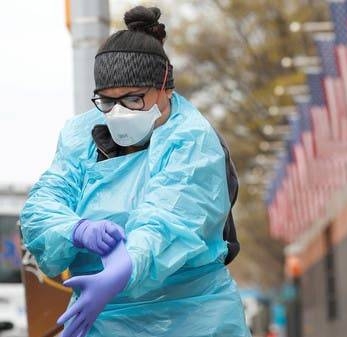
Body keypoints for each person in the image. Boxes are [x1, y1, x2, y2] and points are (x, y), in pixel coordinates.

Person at [19, 6, 250, 337]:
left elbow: (170, 220)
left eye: (133, 99)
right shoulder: (81, 136)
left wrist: (124, 268)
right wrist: (75, 229)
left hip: (192, 319)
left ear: (165, 88)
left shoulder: (193, 142)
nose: (119, 111)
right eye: (107, 101)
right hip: (98, 317)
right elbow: (42, 205)